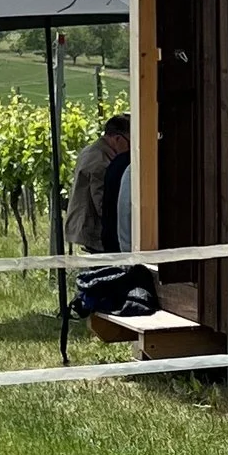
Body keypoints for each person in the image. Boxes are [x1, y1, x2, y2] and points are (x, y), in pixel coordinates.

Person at [66, 108, 158, 318]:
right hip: (93, 226)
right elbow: (103, 203)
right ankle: (97, 303)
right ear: (117, 139)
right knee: (107, 271)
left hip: (88, 224)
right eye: (130, 139)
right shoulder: (100, 160)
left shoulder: (95, 151)